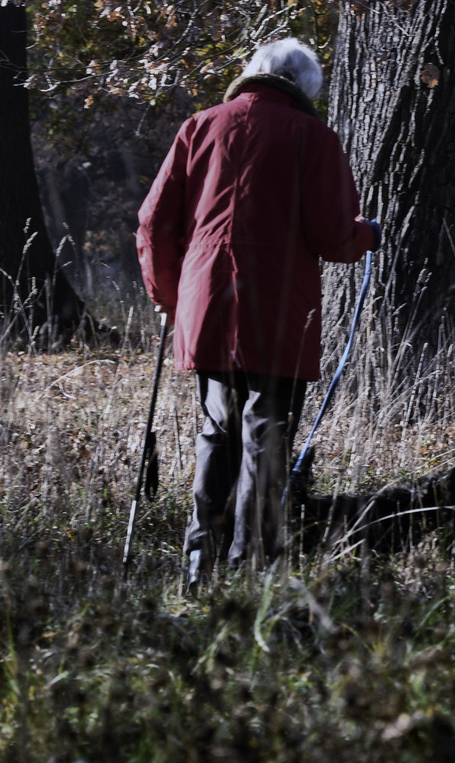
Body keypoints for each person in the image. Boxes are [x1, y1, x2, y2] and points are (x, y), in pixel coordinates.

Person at [136, 38, 379, 586]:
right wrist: (369, 234)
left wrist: (169, 295)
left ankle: (200, 568)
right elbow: (335, 237)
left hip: (206, 303)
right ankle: (250, 570)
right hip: (279, 306)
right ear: (303, 87)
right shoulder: (312, 136)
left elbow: (153, 222)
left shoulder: (199, 126)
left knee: (218, 429)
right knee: (266, 432)